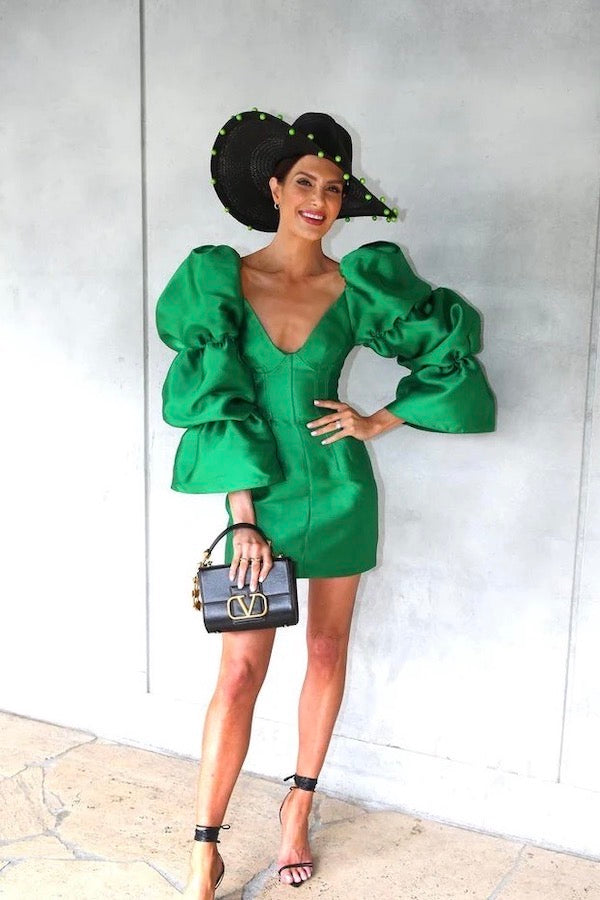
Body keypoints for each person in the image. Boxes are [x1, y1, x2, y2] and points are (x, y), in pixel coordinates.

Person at [155, 109, 496, 900]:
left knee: (326, 651)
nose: (320, 199)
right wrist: (242, 518)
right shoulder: (220, 281)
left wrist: (378, 420)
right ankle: (205, 845)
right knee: (239, 674)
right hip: (260, 497)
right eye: (305, 182)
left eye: (335, 188)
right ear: (274, 189)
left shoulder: (357, 284)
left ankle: (297, 811)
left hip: (340, 489)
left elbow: (448, 354)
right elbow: (218, 404)